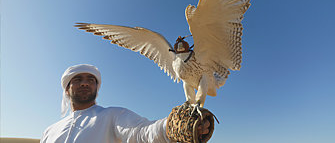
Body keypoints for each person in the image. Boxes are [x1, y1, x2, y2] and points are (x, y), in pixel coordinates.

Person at [41, 64, 210, 143]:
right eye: (78, 79)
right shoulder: (49, 132)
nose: (85, 83)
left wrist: (170, 127)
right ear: (66, 89)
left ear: (96, 87)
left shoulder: (112, 116)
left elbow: (142, 132)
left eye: (91, 80)